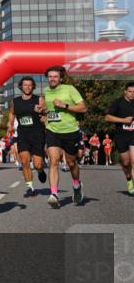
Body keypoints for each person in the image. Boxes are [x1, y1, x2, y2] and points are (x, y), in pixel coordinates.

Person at [38, 65, 88, 208]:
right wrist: (43, 112)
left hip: (70, 131)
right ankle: (54, 194)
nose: (52, 79)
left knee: (72, 163)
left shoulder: (69, 89)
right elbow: (50, 110)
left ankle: (77, 185)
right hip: (52, 130)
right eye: (50, 77)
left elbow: (83, 108)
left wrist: (65, 105)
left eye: (55, 76)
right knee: (53, 161)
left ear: (61, 78)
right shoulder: (46, 91)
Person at [5, 76, 46, 197]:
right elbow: (12, 113)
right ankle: (30, 188)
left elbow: (46, 111)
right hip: (23, 134)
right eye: (25, 85)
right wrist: (10, 124)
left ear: (33, 87)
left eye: (30, 85)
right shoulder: (15, 101)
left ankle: (40, 171)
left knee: (38, 164)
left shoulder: (39, 99)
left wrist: (43, 112)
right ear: (21, 87)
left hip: (37, 134)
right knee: (24, 161)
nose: (27, 87)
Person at [103, 84, 134, 196]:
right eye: (130, 91)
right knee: (126, 163)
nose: (132, 94)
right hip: (121, 136)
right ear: (125, 91)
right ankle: (129, 179)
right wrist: (123, 120)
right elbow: (107, 117)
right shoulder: (118, 103)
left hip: (133, 136)